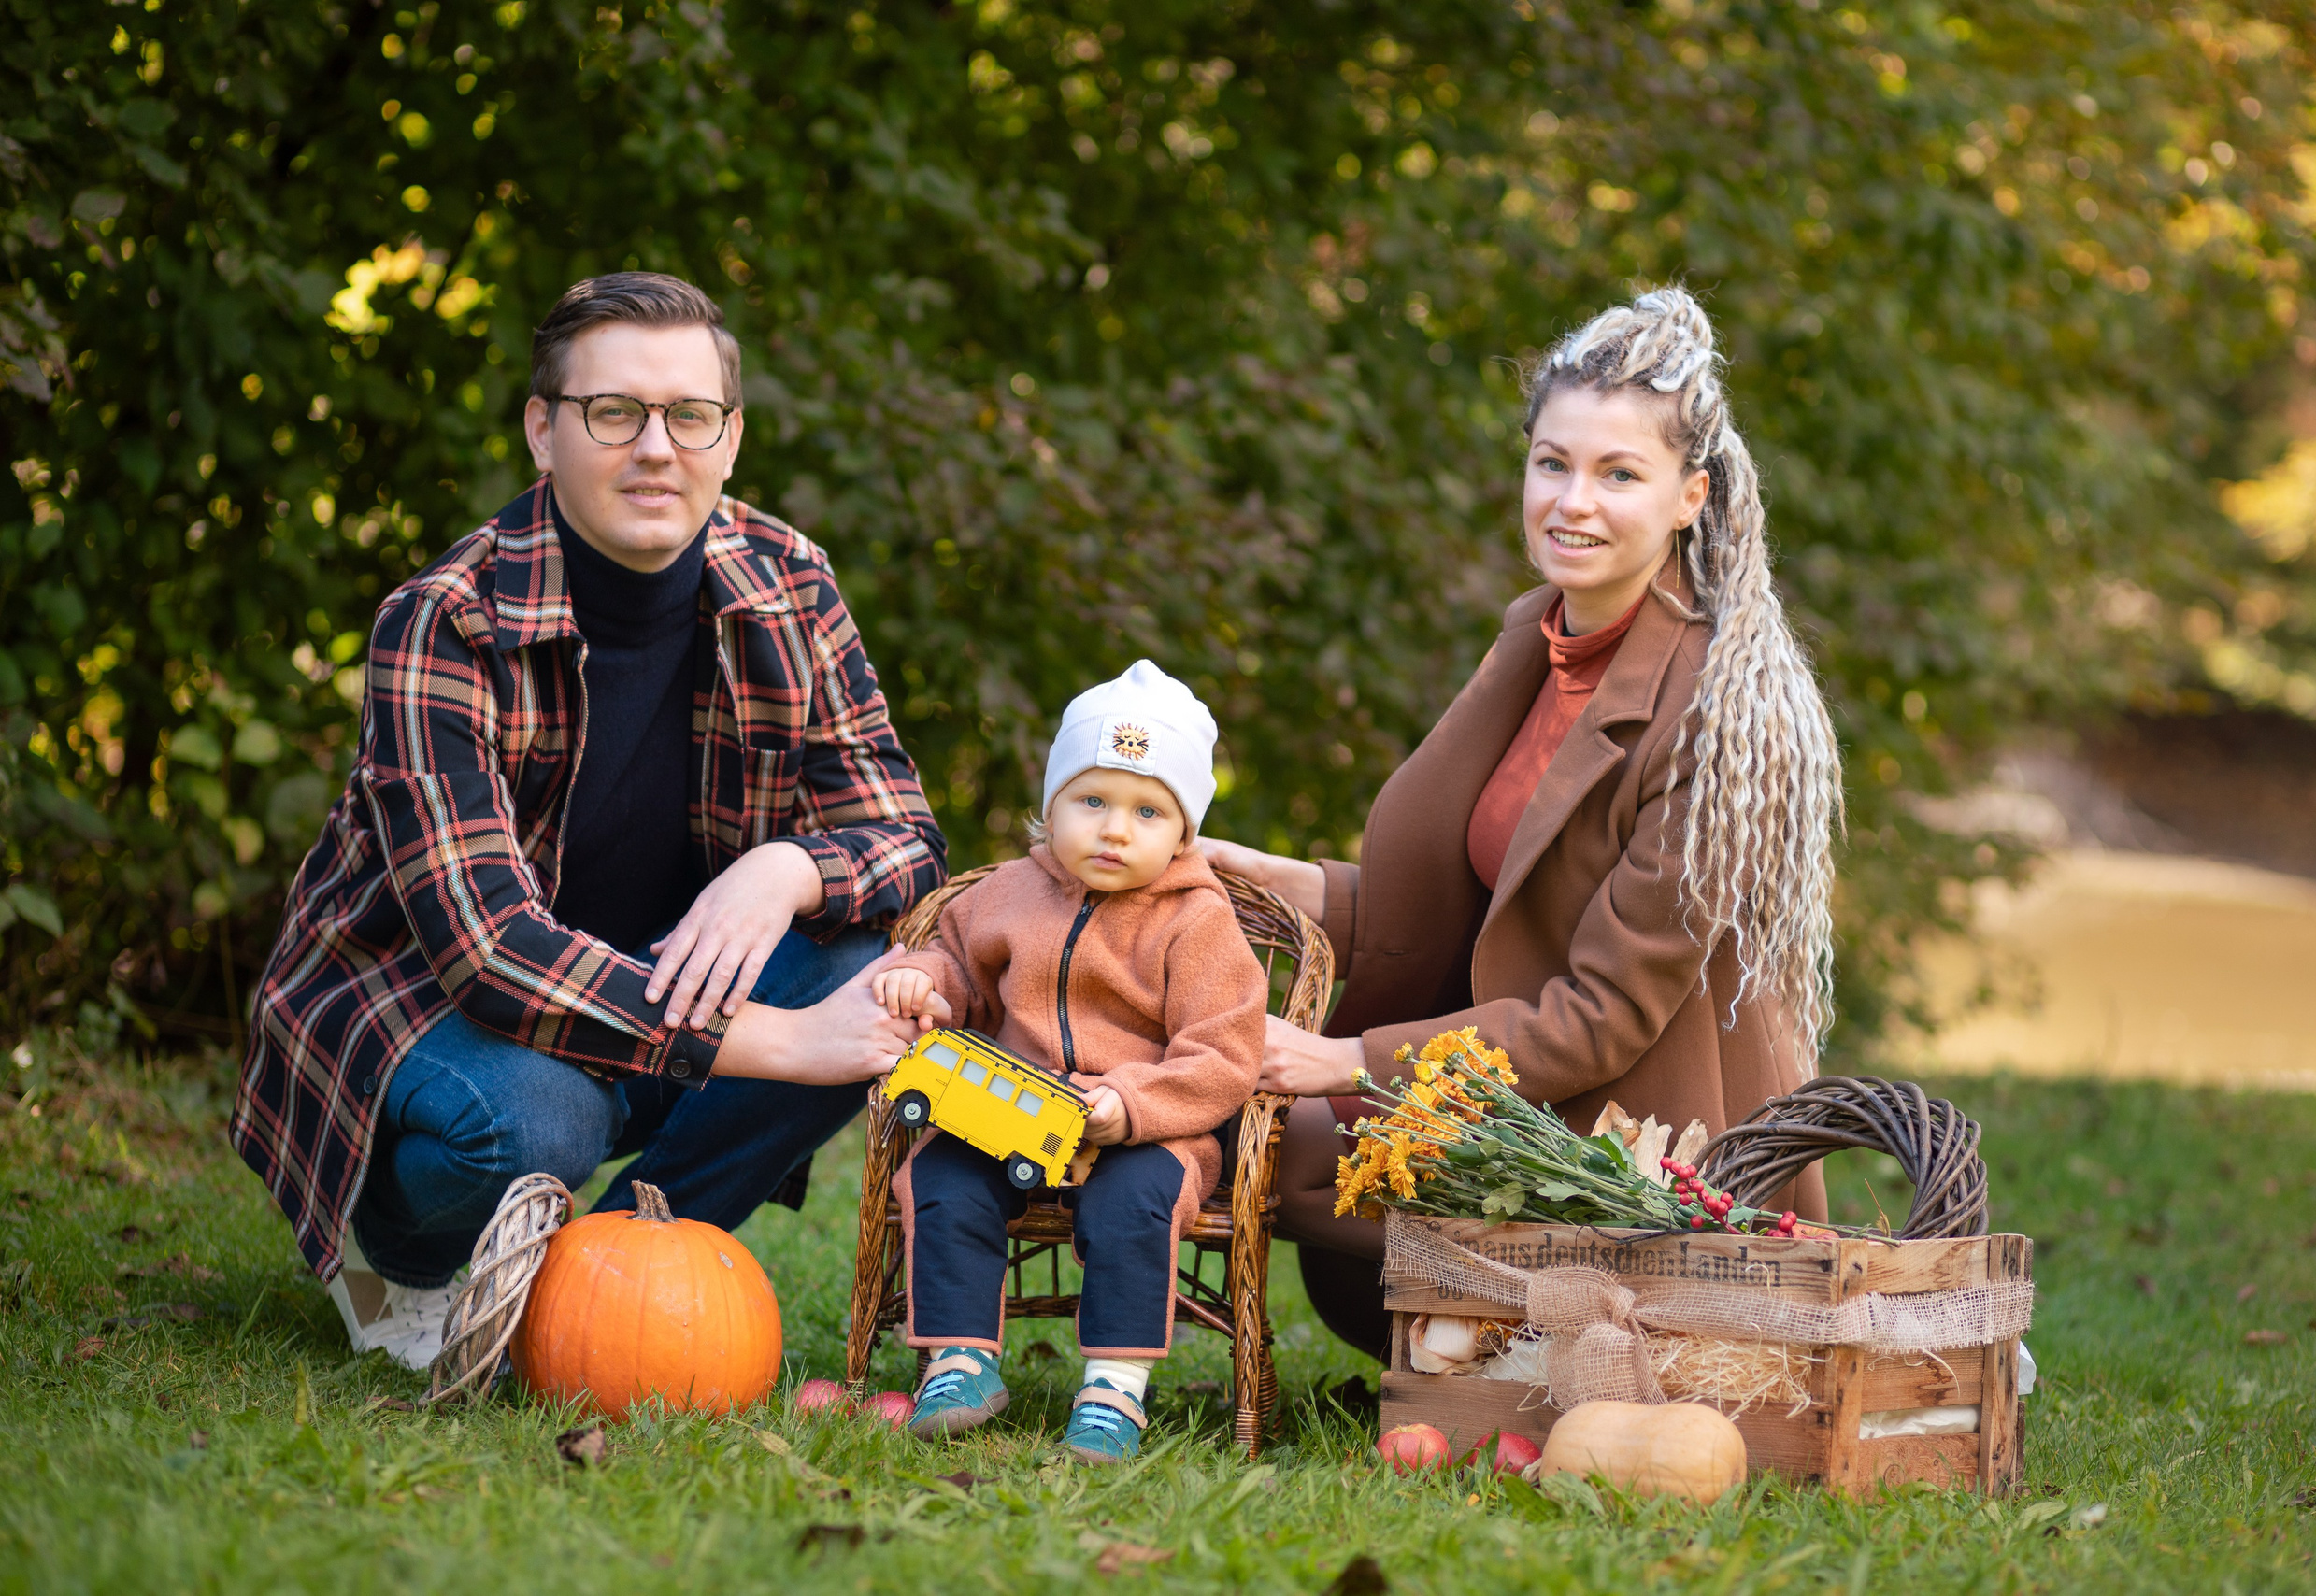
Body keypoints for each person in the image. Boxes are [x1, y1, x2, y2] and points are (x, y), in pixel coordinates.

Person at [234, 273, 950, 1368]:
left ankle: (615, 1265)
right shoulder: (445, 622)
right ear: (543, 429)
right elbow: (487, 951)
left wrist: (784, 870)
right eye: (613, 412)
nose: (655, 447)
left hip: (658, 976)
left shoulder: (789, 581)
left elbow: (902, 828)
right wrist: (787, 1043)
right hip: (424, 999)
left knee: (868, 979)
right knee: (540, 1122)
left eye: (689, 415)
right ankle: (398, 1256)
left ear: (731, 436)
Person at [1201, 288, 1843, 1353]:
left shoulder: (1722, 711)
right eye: (1552, 463)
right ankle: (1484, 1340)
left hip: (1632, 1156)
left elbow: (1593, 1019)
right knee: (1247, 1121)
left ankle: (1546, 1339)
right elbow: (1488, 909)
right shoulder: (1541, 637)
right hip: (1522, 1097)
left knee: (1268, 1136)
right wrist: (1272, 876)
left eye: (1617, 474)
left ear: (1690, 495)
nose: (1571, 502)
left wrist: (1346, 1059)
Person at [871, 661, 1266, 1462]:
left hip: (1144, 1130)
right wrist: (923, 980)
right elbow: (958, 972)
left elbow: (1225, 1051)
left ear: (1184, 832)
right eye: (1092, 802)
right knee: (942, 1177)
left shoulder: (1198, 923)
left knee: (1136, 1204)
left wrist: (1133, 1104)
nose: (1115, 829)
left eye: (1148, 811)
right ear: (1050, 806)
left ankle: (1115, 1387)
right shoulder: (1007, 894)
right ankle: (960, 1361)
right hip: (1008, 1115)